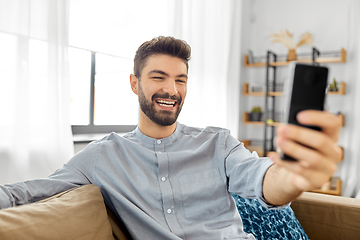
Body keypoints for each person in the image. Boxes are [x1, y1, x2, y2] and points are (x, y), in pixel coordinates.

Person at [0, 36, 342, 240]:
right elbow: (28, 192)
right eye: (159, 77)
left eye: (181, 79)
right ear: (135, 83)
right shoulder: (101, 157)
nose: (172, 89)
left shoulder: (217, 143)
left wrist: (294, 176)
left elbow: (265, 179)